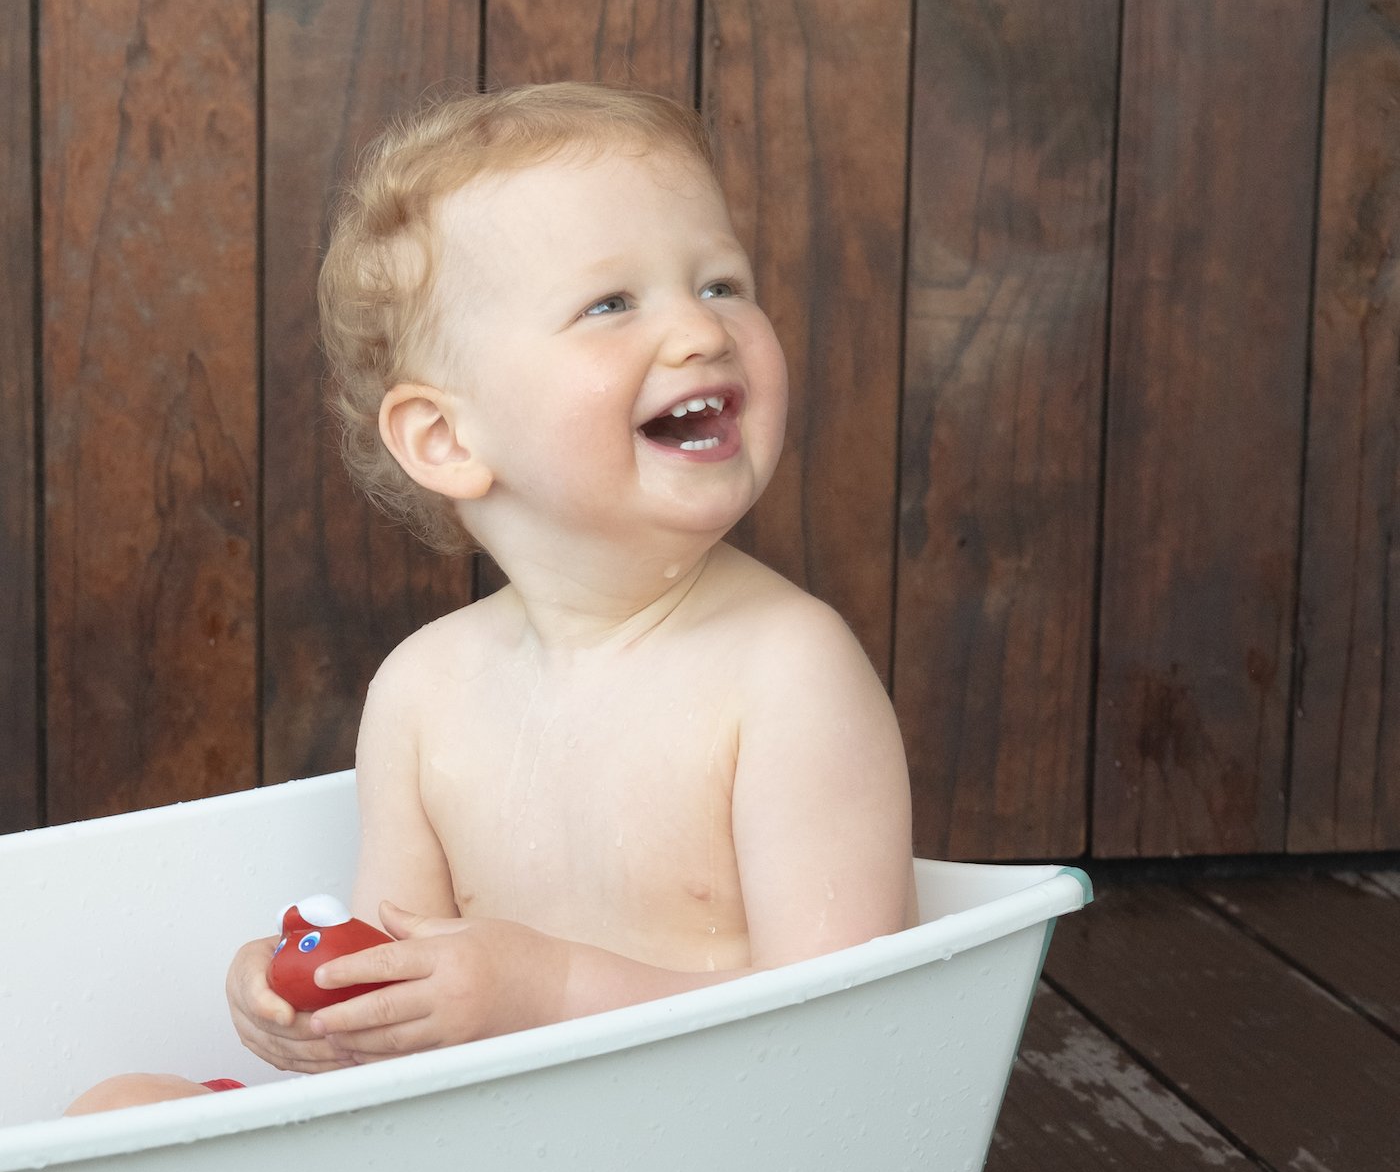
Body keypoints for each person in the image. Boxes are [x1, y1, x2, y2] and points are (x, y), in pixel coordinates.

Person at [64, 82, 915, 1117]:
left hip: (702, 1160)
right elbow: (398, 1003)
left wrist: (545, 991)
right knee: (116, 1103)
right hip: (470, 1159)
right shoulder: (423, 692)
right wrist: (318, 994)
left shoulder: (787, 670)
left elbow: (846, 1031)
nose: (701, 329)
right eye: (611, 304)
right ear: (445, 439)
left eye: (721, 283)